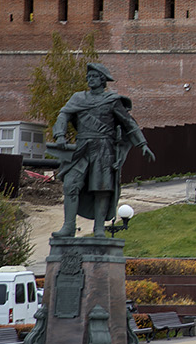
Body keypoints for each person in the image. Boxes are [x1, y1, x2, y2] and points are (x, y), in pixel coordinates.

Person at [50, 62, 155, 238]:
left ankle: (99, 228)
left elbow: (129, 124)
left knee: (101, 188)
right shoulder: (78, 98)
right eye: (88, 77)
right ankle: (69, 227)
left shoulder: (112, 100)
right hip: (82, 149)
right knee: (70, 185)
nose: (90, 80)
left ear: (102, 80)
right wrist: (60, 134)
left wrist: (142, 144)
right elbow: (63, 115)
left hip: (103, 149)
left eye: (94, 77)